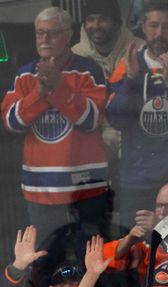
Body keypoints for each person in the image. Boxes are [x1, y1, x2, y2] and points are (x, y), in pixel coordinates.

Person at [1, 7, 110, 248]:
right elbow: (10, 121)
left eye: (52, 33)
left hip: (86, 187)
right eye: (40, 33)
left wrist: (59, 87)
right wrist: (40, 93)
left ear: (68, 35)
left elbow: (92, 120)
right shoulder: (24, 75)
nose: (44, 39)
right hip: (41, 188)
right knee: (46, 262)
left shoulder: (89, 70)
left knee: (90, 261)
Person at [106, 1, 168, 228]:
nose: (159, 33)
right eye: (154, 26)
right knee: (135, 248)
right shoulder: (126, 66)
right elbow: (116, 119)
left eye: (166, 27)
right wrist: (131, 80)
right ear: (143, 28)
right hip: (137, 180)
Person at [72, 0, 144, 167]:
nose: (96, 25)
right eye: (90, 19)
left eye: (103, 19)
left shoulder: (139, 49)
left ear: (116, 23)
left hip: (133, 128)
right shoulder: (76, 55)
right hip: (95, 130)